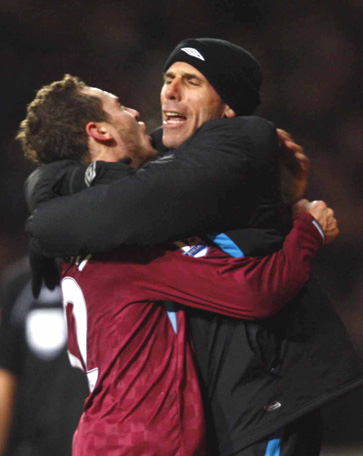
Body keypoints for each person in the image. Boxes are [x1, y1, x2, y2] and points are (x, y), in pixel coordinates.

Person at [23, 39, 363, 455]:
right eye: (167, 79)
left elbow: (151, 189)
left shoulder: (236, 141)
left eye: (191, 81)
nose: (162, 95)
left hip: (252, 404)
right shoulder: (127, 238)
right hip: (156, 435)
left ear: (227, 108)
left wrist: (50, 194)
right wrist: (306, 224)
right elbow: (252, 289)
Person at [0, 258, 88, 456]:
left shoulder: (113, 276)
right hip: (34, 445)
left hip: (95, 441)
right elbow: (5, 376)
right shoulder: (19, 284)